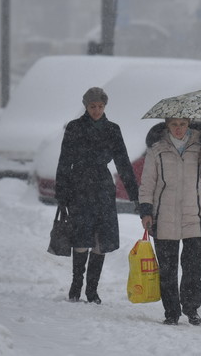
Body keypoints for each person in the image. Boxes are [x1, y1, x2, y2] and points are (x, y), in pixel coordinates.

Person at [54, 87, 140, 304]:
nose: (97, 110)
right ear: (86, 106)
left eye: (100, 107)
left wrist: (135, 194)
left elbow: (122, 162)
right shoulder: (74, 128)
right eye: (93, 106)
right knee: (81, 238)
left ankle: (92, 289)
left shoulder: (112, 129)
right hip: (79, 186)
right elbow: (64, 161)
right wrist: (62, 194)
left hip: (102, 187)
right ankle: (76, 285)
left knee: (101, 240)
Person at [139, 118, 201, 326]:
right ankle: (171, 312)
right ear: (167, 125)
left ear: (189, 125)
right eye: (174, 124)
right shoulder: (156, 148)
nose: (179, 129)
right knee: (167, 269)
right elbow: (147, 182)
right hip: (164, 215)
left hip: (195, 215)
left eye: (183, 124)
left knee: (193, 267)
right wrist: (146, 211)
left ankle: (191, 308)